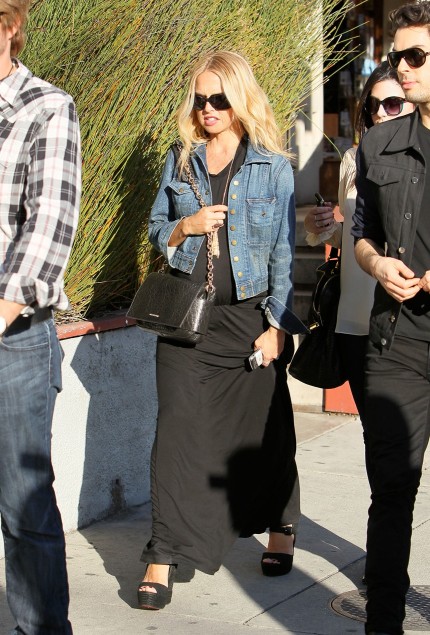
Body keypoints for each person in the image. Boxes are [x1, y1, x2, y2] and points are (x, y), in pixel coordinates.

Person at [137, 50, 306, 610]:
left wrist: (277, 326)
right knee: (176, 430)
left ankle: (281, 523)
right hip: (188, 318)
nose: (207, 108)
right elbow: (156, 227)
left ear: (240, 100)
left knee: (265, 431)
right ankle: (163, 554)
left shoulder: (271, 165)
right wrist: (184, 226)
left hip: (249, 320)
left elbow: (285, 253)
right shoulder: (180, 159)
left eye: (219, 98)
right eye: (200, 99)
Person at [0, 2, 81, 634]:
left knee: (23, 508)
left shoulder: (46, 108)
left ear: (9, 26)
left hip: (15, 337)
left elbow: (49, 227)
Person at [352, 3, 430, 633]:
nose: (402, 67)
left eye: (416, 56)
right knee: (391, 490)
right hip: (397, 342)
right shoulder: (379, 143)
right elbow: (362, 233)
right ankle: (383, 621)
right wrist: (377, 265)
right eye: (396, 55)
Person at [303, 62, 414, 421]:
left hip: (404, 318)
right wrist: (321, 226)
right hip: (353, 318)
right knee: (372, 431)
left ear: (412, 104)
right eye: (373, 105)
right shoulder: (353, 159)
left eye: (392, 104)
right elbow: (355, 235)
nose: (380, 113)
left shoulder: (422, 163)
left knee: (400, 435)